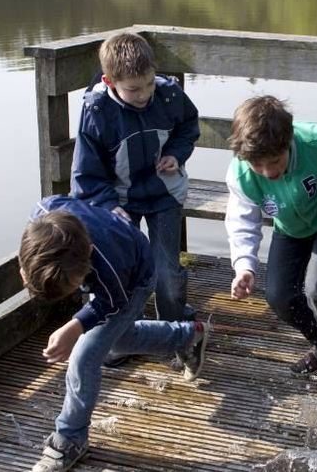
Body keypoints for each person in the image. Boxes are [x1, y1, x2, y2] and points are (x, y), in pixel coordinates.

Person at [20, 195, 211, 472]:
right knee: (118, 339)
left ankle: (69, 439)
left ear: (86, 262)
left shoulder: (109, 266)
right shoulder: (43, 211)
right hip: (109, 250)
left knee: (85, 356)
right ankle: (188, 336)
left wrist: (75, 326)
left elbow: (111, 304)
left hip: (136, 277)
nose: (75, 292)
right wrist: (25, 267)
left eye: (75, 286)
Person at [224, 95, 317, 399]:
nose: (267, 172)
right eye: (257, 165)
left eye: (274, 161)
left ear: (288, 141)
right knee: (280, 297)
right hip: (290, 227)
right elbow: (242, 221)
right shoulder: (242, 174)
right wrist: (244, 265)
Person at [70, 32, 200, 325]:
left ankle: (173, 326)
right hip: (119, 201)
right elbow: (85, 174)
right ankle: (122, 332)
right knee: (118, 267)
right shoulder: (97, 113)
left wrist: (176, 154)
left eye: (149, 84)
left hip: (164, 194)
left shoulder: (168, 94)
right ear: (109, 82)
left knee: (166, 270)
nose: (144, 95)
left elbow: (189, 125)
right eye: (133, 90)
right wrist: (105, 205)